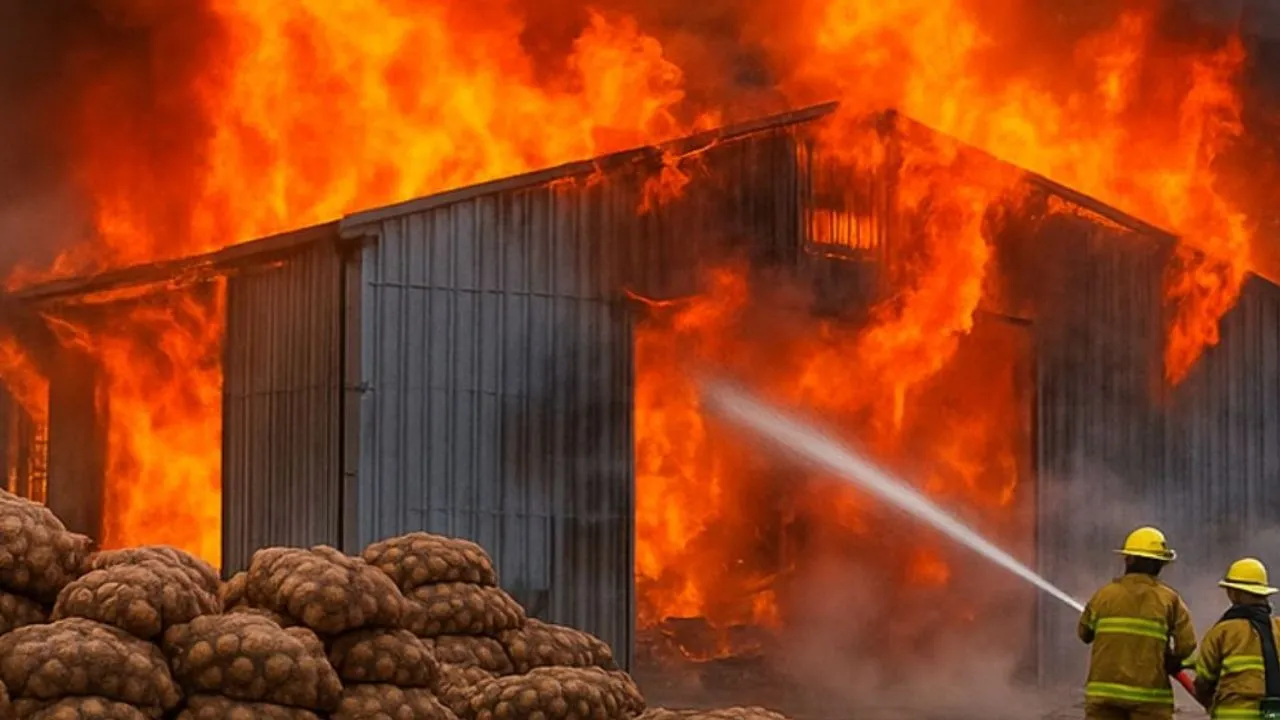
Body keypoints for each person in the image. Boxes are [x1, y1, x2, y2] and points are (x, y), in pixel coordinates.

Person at [1078, 526, 1197, 720]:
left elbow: (1084, 634)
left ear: (1128, 559)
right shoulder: (1169, 599)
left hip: (1104, 696)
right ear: (1160, 564)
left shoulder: (1103, 595)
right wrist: (1172, 659)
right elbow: (1187, 644)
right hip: (1150, 698)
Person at [1193, 557, 1280, 719]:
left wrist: (1208, 701)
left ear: (1235, 593)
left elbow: (1204, 680)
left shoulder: (1222, 631)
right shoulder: (1278, 628)